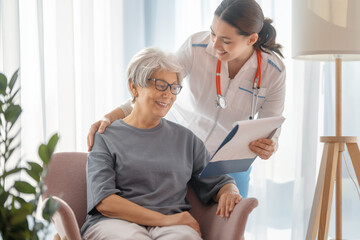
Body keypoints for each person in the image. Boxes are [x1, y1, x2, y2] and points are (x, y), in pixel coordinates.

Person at [87, 0, 286, 198]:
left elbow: (270, 124)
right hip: (178, 150)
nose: (214, 44)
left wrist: (270, 144)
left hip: (228, 161)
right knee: (174, 215)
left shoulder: (273, 71)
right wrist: (110, 117)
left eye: (225, 40)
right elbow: (155, 88)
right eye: (213, 33)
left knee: (231, 222)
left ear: (251, 40)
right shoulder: (196, 46)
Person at [81, 47, 241, 240]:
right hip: (114, 223)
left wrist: (229, 191)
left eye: (174, 87)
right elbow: (105, 202)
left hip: (173, 227)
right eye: (160, 85)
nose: (169, 94)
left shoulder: (186, 139)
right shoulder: (105, 137)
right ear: (134, 87)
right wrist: (164, 220)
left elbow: (220, 182)